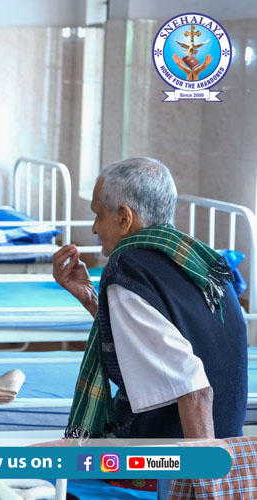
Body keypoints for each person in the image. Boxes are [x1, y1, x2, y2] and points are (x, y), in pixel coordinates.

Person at [53, 157, 247, 440]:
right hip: (228, 435)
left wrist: (204, 467)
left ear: (124, 218)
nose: (94, 228)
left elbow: (195, 390)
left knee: (33, 460)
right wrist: (92, 300)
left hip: (164, 450)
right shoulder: (200, 259)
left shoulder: (129, 270)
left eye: (98, 215)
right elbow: (150, 332)